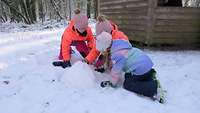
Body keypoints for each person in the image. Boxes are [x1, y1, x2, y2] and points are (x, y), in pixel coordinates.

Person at [95, 18, 160, 100]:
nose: (102, 52)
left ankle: (153, 88)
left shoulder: (117, 54)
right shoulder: (119, 44)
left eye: (102, 50)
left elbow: (116, 71)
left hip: (141, 68)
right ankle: (149, 74)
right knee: (128, 75)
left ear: (106, 48)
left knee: (128, 84)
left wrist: (112, 83)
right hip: (145, 64)